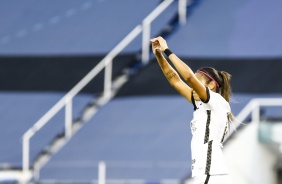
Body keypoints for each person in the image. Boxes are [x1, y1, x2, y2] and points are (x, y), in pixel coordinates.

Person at [151, 36, 234, 184]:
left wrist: (167, 50)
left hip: (211, 173)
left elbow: (188, 77)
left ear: (212, 85)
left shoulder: (215, 101)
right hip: (206, 173)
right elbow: (174, 79)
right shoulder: (202, 104)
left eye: (198, 82)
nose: (194, 87)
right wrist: (159, 54)